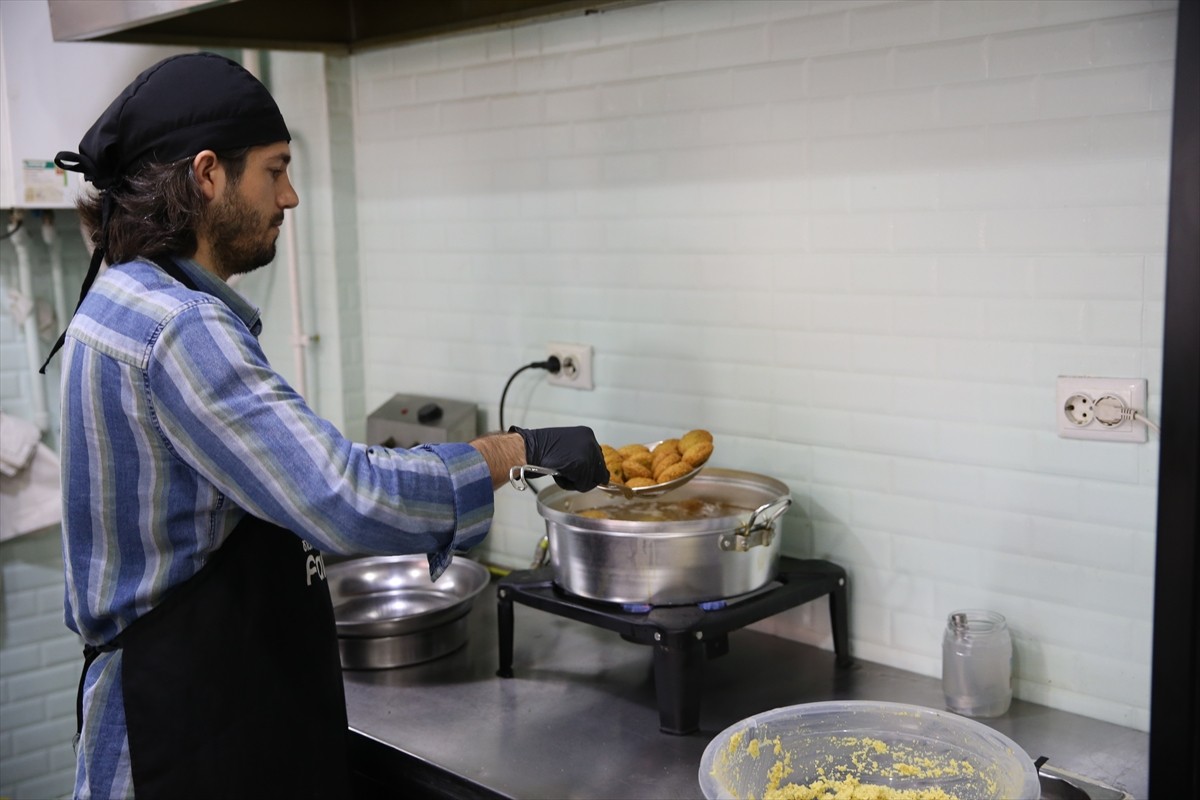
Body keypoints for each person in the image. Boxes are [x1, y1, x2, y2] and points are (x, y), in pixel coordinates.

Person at [44, 52, 608, 800]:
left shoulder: (122, 298)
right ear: (208, 175)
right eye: (274, 171)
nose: (292, 195)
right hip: (185, 730)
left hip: (186, 705)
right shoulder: (180, 328)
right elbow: (344, 495)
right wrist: (516, 451)